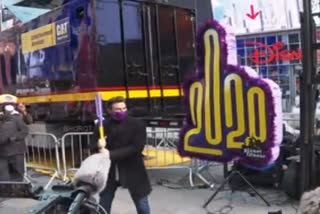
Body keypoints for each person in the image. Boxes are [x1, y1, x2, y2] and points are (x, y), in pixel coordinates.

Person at [93, 96, 152, 214]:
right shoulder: (102, 125)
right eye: (118, 109)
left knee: (141, 204)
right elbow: (92, 147)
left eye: (124, 108)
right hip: (109, 172)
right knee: (104, 203)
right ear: (110, 110)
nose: (122, 112)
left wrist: (110, 154)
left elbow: (136, 147)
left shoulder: (137, 124)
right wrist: (98, 145)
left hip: (133, 170)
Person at [0, 104, 29, 181]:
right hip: (2, 152)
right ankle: (5, 191)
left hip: (16, 151)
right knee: (3, 176)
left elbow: (25, 131)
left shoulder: (17, 118)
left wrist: (13, 137)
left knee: (17, 175)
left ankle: (17, 190)